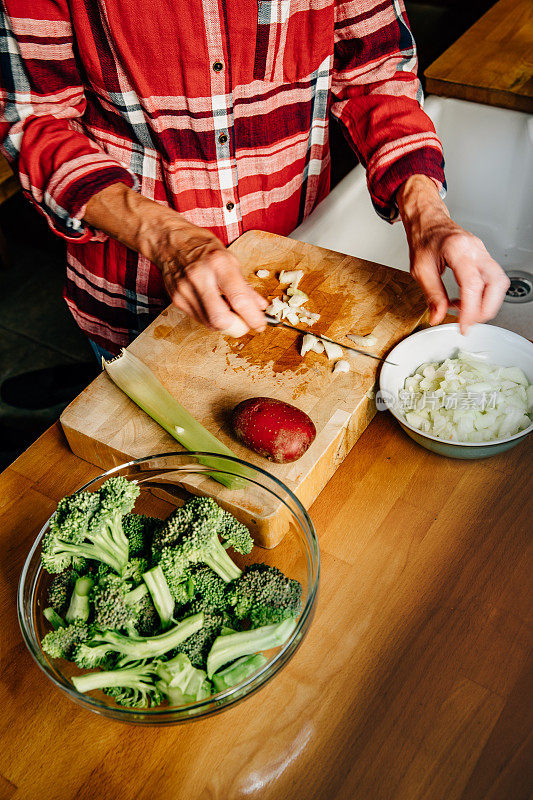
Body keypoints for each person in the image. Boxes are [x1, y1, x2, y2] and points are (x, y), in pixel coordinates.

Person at [0, 0, 509, 360]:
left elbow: (377, 74)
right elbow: (34, 124)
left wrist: (428, 214)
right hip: (134, 298)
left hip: (299, 278)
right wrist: (168, 238)